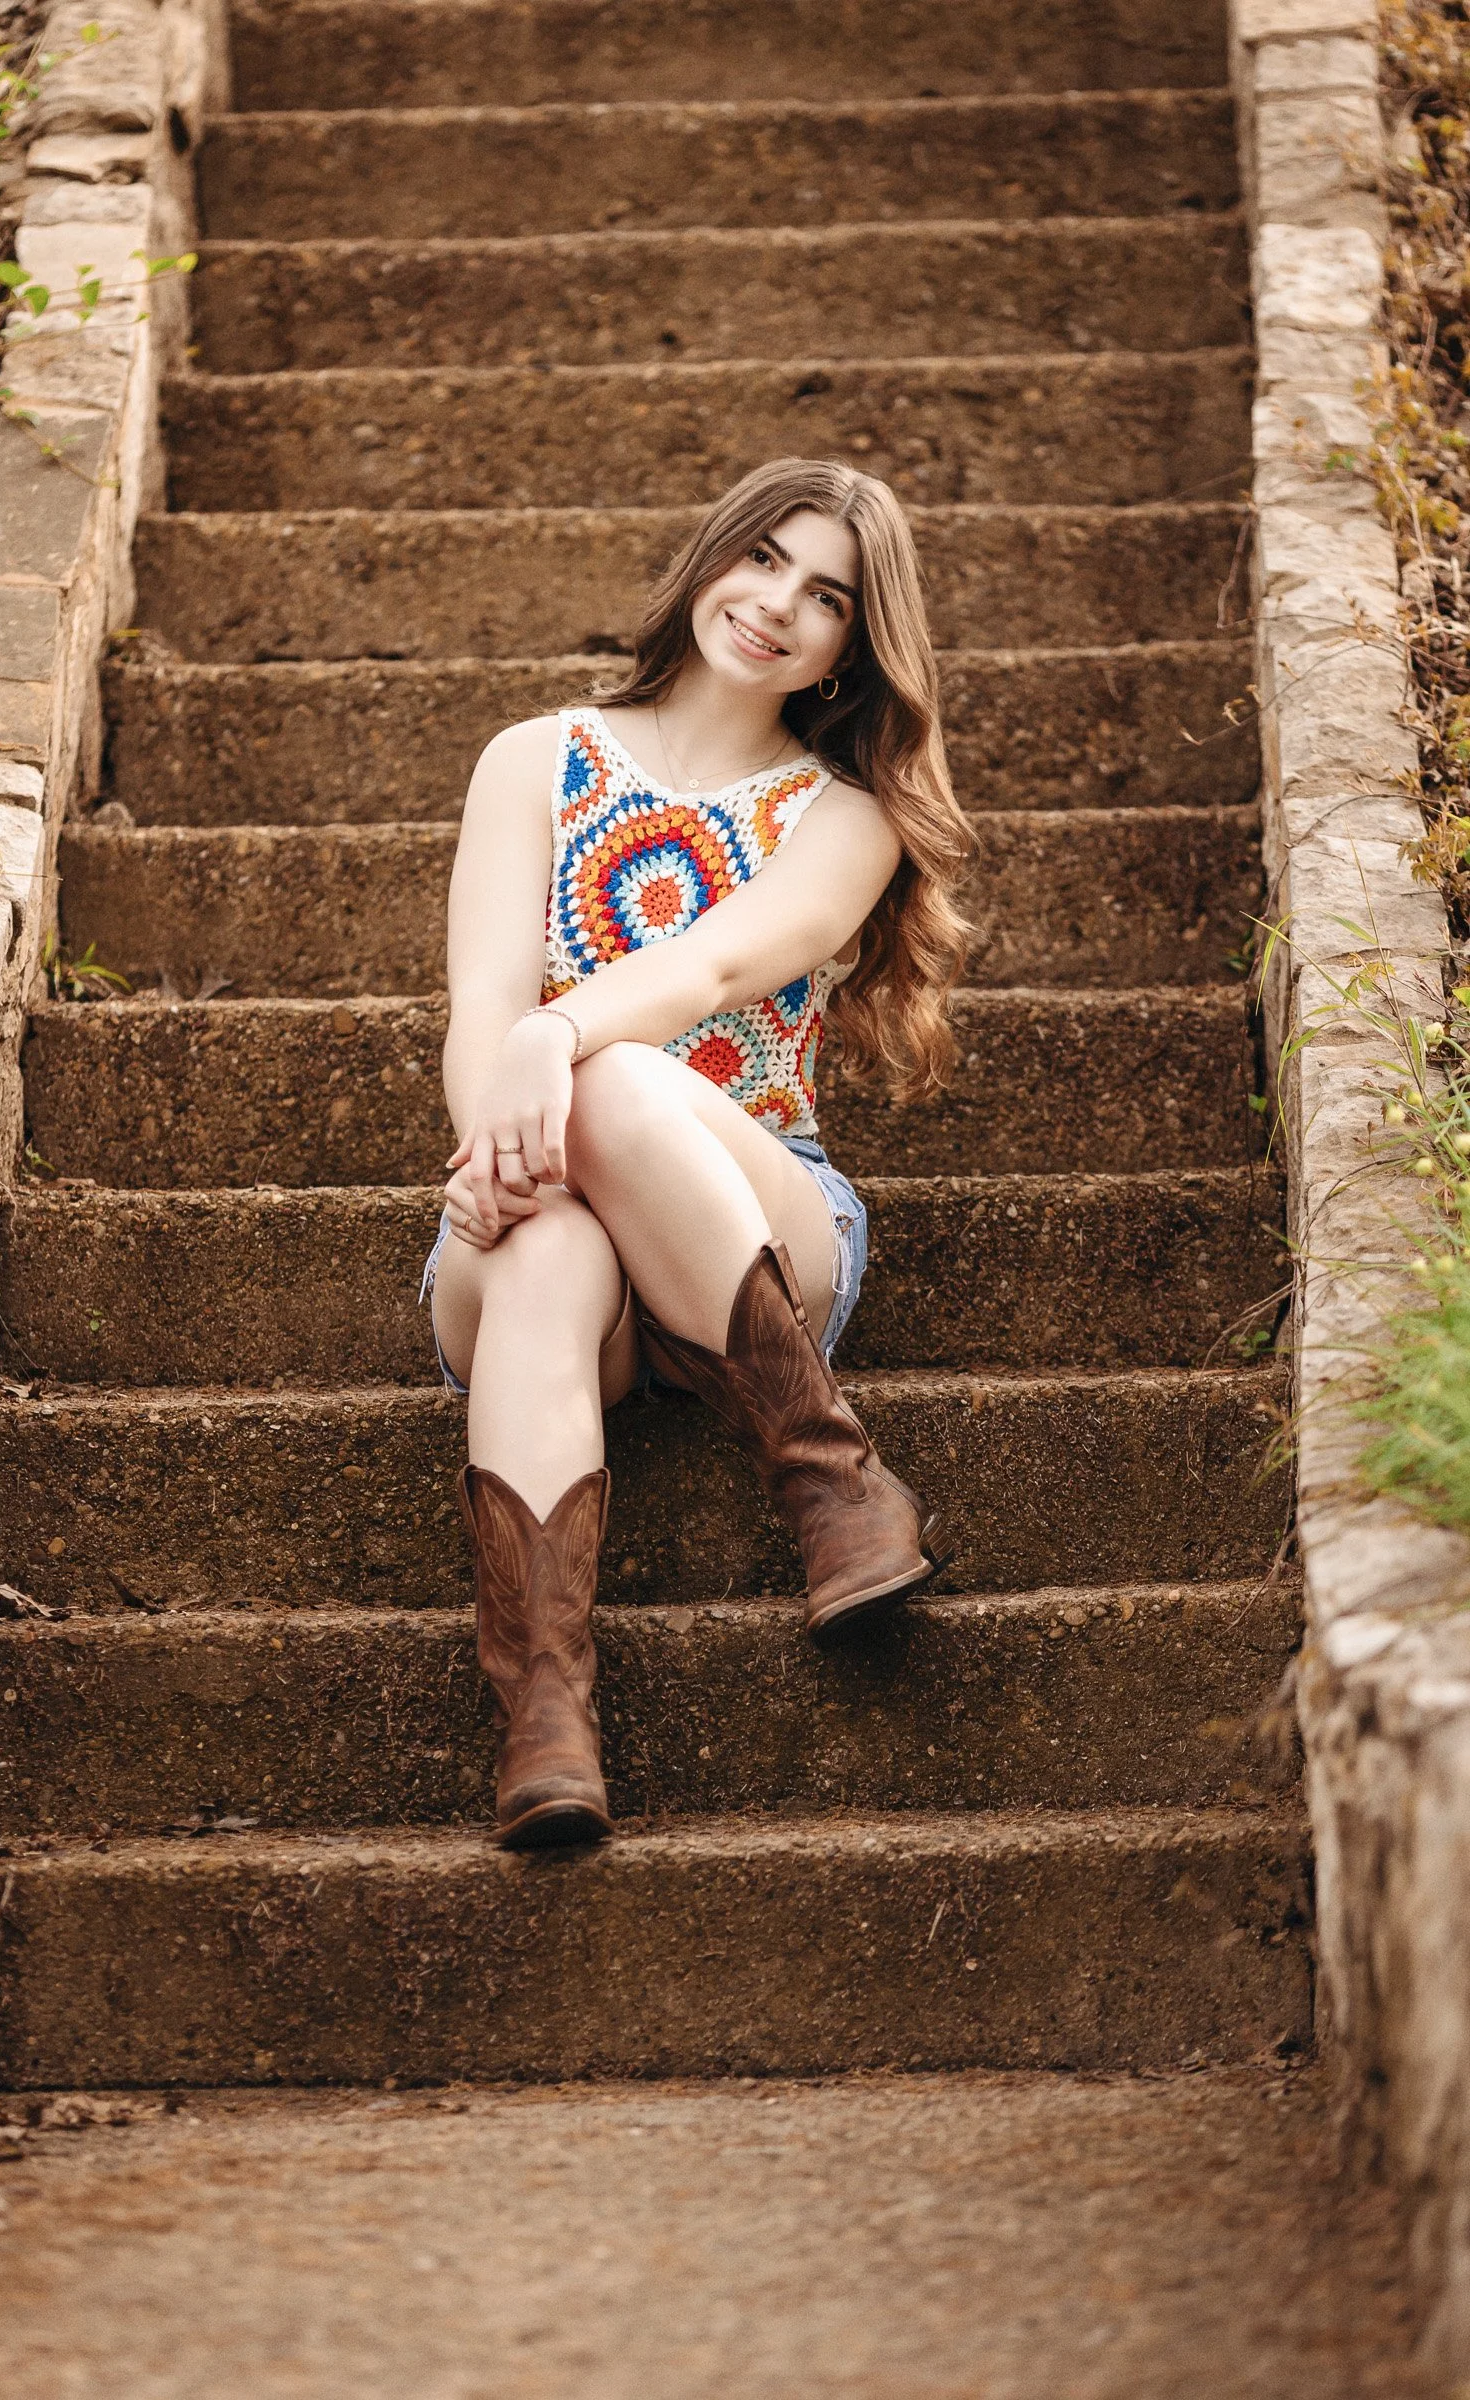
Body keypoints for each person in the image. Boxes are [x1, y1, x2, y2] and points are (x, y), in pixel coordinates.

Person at [420, 455, 976, 1853]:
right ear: (713, 558)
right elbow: (479, 1014)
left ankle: (820, 1468)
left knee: (613, 1074)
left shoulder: (844, 817)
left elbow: (716, 960)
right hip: (552, 1228)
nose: (779, 606)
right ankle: (547, 1718)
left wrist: (555, 1048)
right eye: (765, 560)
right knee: (543, 1253)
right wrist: (496, 1147)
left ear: (856, 643)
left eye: (828, 597)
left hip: (756, 1209)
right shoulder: (534, 760)